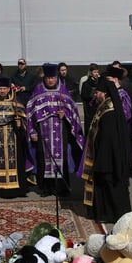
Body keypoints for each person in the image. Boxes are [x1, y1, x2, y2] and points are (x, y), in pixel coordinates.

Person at [26, 63, 85, 198]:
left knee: (61, 157)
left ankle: (61, 187)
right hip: (42, 132)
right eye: (47, 78)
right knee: (42, 158)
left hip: (60, 130)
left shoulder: (62, 91)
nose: (50, 80)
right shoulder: (38, 90)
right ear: (44, 78)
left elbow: (73, 111)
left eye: (52, 78)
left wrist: (65, 115)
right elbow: (29, 112)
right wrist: (32, 132)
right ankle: (45, 188)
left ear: (56, 77)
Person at [82, 79, 131, 223]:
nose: (95, 95)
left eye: (97, 92)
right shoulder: (106, 106)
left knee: (111, 187)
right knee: (107, 187)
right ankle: (106, 214)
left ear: (103, 94)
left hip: (108, 158)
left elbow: (107, 138)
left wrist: (100, 158)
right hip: (108, 156)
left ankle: (113, 215)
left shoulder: (109, 111)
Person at [80, 64, 101, 131]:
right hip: (89, 110)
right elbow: (83, 96)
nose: (96, 74)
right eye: (95, 72)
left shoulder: (100, 82)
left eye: (97, 72)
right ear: (91, 72)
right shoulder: (86, 83)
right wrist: (92, 95)